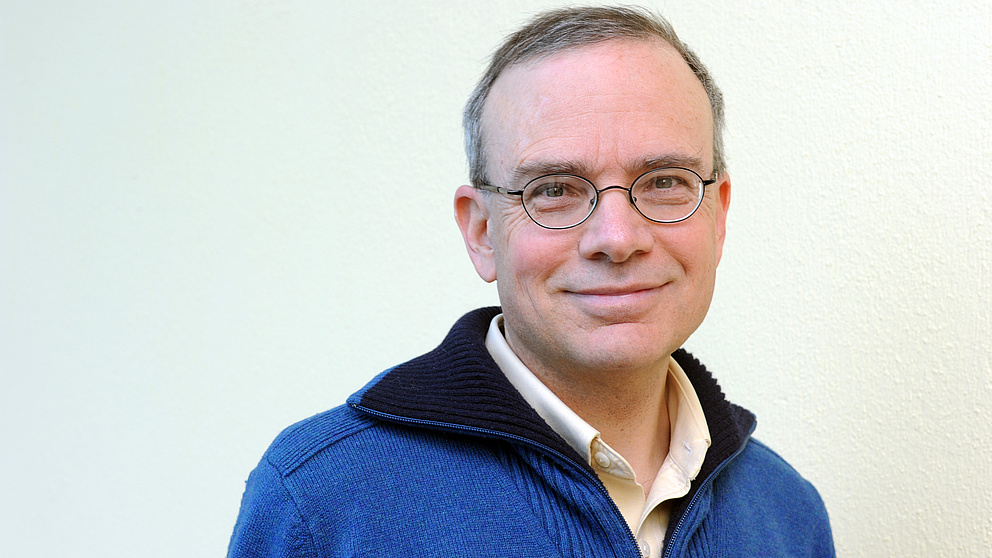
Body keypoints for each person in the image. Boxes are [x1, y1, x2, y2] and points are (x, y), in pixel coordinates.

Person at [228, 6, 834, 557]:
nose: (617, 238)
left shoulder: (785, 513)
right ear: (481, 232)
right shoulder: (322, 502)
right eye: (555, 190)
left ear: (718, 217)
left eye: (664, 182)